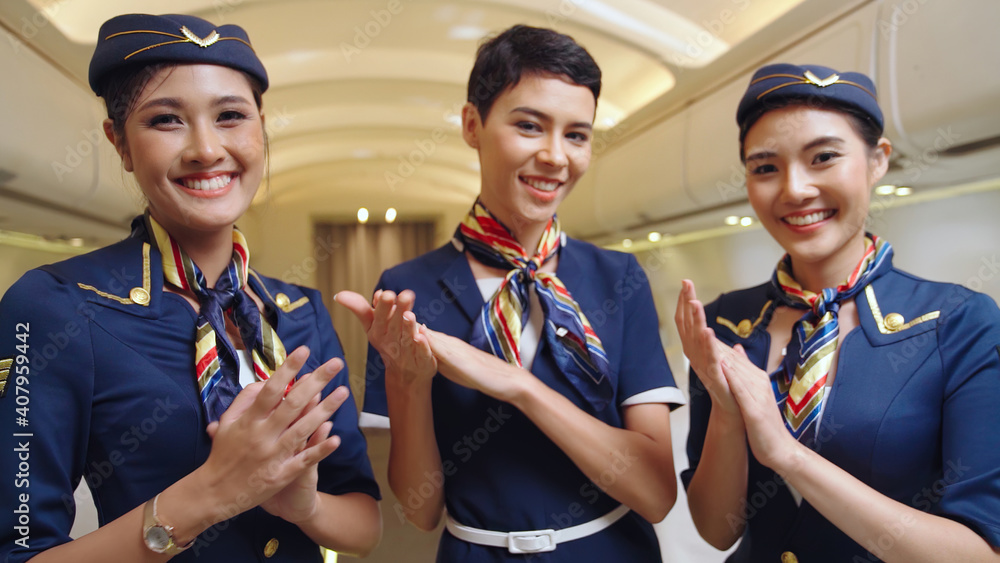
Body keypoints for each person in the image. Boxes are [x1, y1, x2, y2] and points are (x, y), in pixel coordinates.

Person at [0, 13, 380, 562]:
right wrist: (212, 492)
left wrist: (305, 509)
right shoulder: (56, 307)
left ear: (260, 128)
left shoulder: (299, 311)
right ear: (120, 144)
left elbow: (365, 526)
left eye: (230, 116)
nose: (206, 149)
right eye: (165, 120)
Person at [336, 24, 685, 562]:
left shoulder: (619, 278)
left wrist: (519, 387)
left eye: (577, 134)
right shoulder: (408, 290)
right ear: (472, 125)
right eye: (529, 125)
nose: (555, 156)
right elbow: (420, 510)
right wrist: (408, 382)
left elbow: (656, 494)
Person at [677, 63, 1000, 562]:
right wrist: (726, 413)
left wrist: (786, 454)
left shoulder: (959, 321)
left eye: (823, 157)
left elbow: (977, 554)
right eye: (765, 168)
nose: (794, 190)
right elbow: (717, 532)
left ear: (877, 161)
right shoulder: (723, 322)